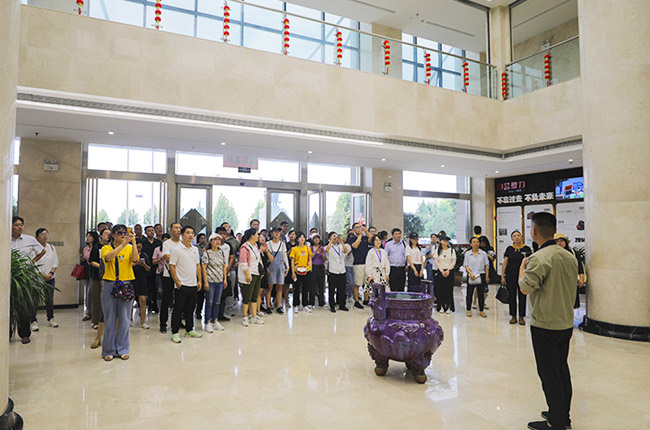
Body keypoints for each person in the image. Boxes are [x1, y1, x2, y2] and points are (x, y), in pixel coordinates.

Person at [519, 212, 578, 430]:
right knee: (561, 369)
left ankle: (556, 422)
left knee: (549, 373)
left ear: (534, 230)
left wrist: (522, 269)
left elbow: (525, 287)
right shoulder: (569, 256)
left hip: (545, 324)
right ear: (554, 230)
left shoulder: (538, 258)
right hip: (565, 322)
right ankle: (562, 414)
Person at [100, 224, 139, 361]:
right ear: (113, 235)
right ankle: (108, 350)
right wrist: (122, 245)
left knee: (124, 318)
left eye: (124, 233)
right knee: (110, 318)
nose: (123, 235)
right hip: (110, 283)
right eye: (119, 233)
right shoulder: (106, 248)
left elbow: (135, 259)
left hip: (126, 283)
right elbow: (108, 258)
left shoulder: (129, 248)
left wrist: (133, 242)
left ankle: (123, 349)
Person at [11, 216, 45, 343]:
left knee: (23, 306)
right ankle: (6, 333)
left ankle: (25, 334)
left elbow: (42, 251)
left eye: (21, 225)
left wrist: (32, 262)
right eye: (16, 225)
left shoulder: (29, 239)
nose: (20, 227)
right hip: (8, 276)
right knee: (7, 306)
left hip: (24, 278)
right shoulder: (4, 238)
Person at [169, 226, 203, 343]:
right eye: (188, 233)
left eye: (192, 233)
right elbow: (172, 266)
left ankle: (189, 329)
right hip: (182, 284)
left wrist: (199, 280)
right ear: (182, 235)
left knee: (190, 308)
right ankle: (174, 332)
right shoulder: (177, 249)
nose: (190, 235)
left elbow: (198, 265)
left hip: (193, 284)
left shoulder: (195, 249)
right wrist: (177, 282)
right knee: (178, 309)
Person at [501, 231, 533, 325]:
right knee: (512, 295)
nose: (517, 237)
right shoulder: (509, 249)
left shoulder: (526, 249)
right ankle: (513, 316)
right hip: (510, 275)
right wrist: (502, 275)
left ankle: (521, 317)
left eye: (518, 235)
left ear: (521, 237)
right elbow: (505, 263)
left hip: (523, 276)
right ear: (512, 239)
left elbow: (530, 263)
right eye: (514, 236)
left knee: (522, 295)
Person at [238, 228, 265, 326]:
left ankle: (254, 316)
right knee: (247, 297)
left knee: (254, 296)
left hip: (257, 273)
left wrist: (261, 272)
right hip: (249, 274)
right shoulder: (245, 247)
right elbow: (243, 262)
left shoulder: (255, 246)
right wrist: (247, 274)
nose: (258, 236)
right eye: (257, 234)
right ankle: (245, 317)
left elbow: (258, 259)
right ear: (252, 235)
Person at [160, 222, 183, 333]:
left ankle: (178, 322)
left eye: (179, 228)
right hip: (168, 275)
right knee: (166, 300)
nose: (178, 230)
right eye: (176, 228)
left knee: (179, 300)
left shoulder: (183, 244)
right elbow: (167, 258)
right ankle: (163, 324)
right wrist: (180, 259)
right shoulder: (167, 243)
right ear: (170, 230)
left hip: (181, 275)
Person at [34, 228, 59, 328]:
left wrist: (50, 273)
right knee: (35, 299)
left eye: (46, 234)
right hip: (37, 277)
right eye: (42, 234)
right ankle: (33, 321)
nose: (45, 236)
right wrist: (42, 275)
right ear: (37, 237)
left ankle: (50, 319)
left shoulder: (51, 247)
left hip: (50, 277)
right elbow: (33, 263)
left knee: (49, 299)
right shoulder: (34, 248)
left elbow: (55, 262)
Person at [201, 234, 227, 333]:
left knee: (217, 302)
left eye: (219, 240)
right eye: (215, 240)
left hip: (219, 281)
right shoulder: (207, 253)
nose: (217, 242)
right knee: (209, 302)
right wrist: (205, 281)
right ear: (211, 241)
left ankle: (215, 321)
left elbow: (224, 266)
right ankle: (207, 322)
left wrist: (225, 279)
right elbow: (204, 268)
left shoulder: (221, 252)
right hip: (210, 281)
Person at [90, 228, 111, 349]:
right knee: (98, 300)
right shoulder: (97, 247)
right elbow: (92, 261)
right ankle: (95, 322)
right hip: (98, 276)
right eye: (105, 234)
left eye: (109, 234)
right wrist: (102, 266)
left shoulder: (113, 247)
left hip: (110, 278)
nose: (107, 236)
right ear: (101, 236)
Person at [554, 233, 586, 310]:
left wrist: (582, 278)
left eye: (561, 241)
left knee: (571, 302)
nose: (560, 243)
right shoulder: (553, 254)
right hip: (557, 281)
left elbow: (579, 266)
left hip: (571, 281)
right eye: (557, 241)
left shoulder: (572, 252)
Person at [464, 237, 489, 318]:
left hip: (481, 274)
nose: (476, 243)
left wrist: (487, 276)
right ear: (471, 244)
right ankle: (468, 310)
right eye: (474, 242)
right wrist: (470, 273)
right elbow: (466, 265)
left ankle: (481, 310)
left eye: (477, 242)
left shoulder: (483, 253)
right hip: (471, 275)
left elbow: (486, 265)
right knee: (469, 293)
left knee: (481, 293)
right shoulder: (467, 254)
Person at [347, 223, 370, 308]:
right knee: (357, 283)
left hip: (367, 263)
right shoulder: (352, 239)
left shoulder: (365, 238)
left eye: (360, 227)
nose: (359, 228)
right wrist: (360, 235)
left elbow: (373, 240)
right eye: (357, 227)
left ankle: (366, 300)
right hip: (357, 263)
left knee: (367, 283)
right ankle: (356, 301)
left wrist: (366, 232)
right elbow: (355, 246)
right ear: (353, 230)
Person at [325, 232, 350, 312]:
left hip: (342, 270)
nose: (335, 237)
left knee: (342, 289)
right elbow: (326, 250)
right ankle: (332, 305)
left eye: (336, 236)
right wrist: (331, 241)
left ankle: (342, 304)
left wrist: (342, 241)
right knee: (332, 289)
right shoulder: (328, 246)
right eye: (333, 236)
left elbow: (345, 251)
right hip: (333, 270)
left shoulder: (340, 246)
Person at [290, 232, 314, 313]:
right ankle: (296, 305)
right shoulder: (294, 249)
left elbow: (310, 259)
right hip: (297, 271)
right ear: (297, 239)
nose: (302, 239)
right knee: (296, 289)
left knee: (305, 288)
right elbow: (292, 261)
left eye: (303, 237)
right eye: (300, 237)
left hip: (306, 271)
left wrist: (310, 269)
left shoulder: (307, 248)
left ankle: (305, 305)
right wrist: (293, 272)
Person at [267, 227, 289, 314]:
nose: (277, 234)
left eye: (278, 232)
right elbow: (265, 257)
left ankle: (278, 306)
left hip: (281, 267)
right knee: (270, 287)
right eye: (275, 232)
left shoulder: (282, 244)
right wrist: (266, 268)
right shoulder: (268, 244)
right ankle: (268, 306)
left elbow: (284, 255)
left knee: (280, 287)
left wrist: (287, 267)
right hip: (271, 267)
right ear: (272, 233)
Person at [215, 227, 234, 322]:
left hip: (226, 274)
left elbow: (231, 257)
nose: (222, 235)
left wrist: (227, 270)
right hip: (214, 274)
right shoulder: (213, 245)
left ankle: (221, 314)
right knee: (214, 296)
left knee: (224, 295)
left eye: (224, 234)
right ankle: (213, 315)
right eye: (220, 233)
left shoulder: (228, 245)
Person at [132, 239, 151, 329]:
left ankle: (143, 322)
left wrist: (143, 264)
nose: (138, 246)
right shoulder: (130, 254)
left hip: (142, 280)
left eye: (140, 244)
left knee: (143, 300)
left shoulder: (144, 255)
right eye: (136, 244)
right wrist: (135, 264)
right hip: (131, 279)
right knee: (130, 301)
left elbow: (149, 269)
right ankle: (129, 320)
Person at [141, 225, 161, 313]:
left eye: (152, 230)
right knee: (146, 288)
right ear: (145, 232)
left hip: (156, 267)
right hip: (145, 267)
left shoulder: (158, 242)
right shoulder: (143, 242)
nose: (151, 232)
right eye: (149, 230)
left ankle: (155, 306)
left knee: (155, 287)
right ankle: (147, 305)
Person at [473, 236, 497, 310]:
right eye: (481, 242)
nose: (482, 244)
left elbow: (493, 258)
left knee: (485, 288)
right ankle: (474, 302)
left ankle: (483, 302)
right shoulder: (476, 249)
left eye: (484, 242)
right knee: (477, 287)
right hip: (478, 270)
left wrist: (486, 255)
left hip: (488, 270)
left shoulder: (490, 249)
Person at [434, 236, 457, 313]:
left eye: (447, 240)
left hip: (449, 272)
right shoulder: (437, 250)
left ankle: (448, 307)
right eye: (444, 240)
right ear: (440, 241)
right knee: (440, 289)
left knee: (449, 289)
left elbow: (453, 261)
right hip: (441, 272)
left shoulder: (452, 250)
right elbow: (436, 261)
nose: (446, 241)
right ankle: (441, 306)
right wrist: (442, 271)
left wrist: (448, 270)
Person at [151, 233, 170, 326]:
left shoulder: (172, 249)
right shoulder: (157, 249)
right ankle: (159, 309)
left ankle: (170, 309)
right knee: (160, 291)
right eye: (164, 240)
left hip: (170, 273)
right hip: (160, 273)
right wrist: (160, 259)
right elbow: (153, 261)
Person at [80, 231, 96, 321]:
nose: (88, 238)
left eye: (90, 236)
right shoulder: (86, 248)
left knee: (92, 291)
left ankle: (93, 311)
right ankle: (88, 311)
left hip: (95, 271)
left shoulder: (96, 247)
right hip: (87, 270)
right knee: (88, 291)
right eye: (87, 236)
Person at [257, 233, 274, 315]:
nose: (262, 238)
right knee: (258, 292)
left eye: (263, 237)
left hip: (264, 272)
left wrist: (267, 251)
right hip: (257, 272)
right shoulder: (255, 248)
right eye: (260, 237)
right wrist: (260, 250)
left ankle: (260, 308)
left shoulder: (265, 248)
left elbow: (271, 259)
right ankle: (257, 310)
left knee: (262, 291)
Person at [385, 228, 407, 292]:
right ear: (392, 235)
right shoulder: (388, 244)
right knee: (392, 286)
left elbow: (407, 256)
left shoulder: (404, 244)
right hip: (392, 268)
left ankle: (400, 298)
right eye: (396, 234)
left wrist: (407, 264)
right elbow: (385, 256)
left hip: (401, 268)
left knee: (401, 287)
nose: (398, 235)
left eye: (399, 234)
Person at [310, 234, 327, 307]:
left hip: (321, 267)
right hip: (313, 267)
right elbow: (310, 257)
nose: (316, 239)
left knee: (321, 285)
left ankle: (321, 301)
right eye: (315, 238)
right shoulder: (310, 248)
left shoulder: (322, 248)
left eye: (318, 238)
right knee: (312, 285)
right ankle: (311, 302)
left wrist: (322, 253)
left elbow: (325, 259)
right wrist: (316, 251)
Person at [194, 232, 207, 321]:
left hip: (205, 273)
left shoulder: (208, 247)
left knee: (202, 295)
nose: (203, 240)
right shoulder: (195, 248)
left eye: (204, 238)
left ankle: (200, 311)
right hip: (196, 273)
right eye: (201, 238)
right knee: (197, 294)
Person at [283, 230, 297, 310]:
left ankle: (295, 301)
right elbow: (285, 255)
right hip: (288, 266)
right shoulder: (286, 244)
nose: (292, 235)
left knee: (296, 285)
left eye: (293, 234)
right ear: (288, 236)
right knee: (287, 284)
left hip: (296, 266)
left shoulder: (298, 244)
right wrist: (291, 250)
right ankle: (286, 300)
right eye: (291, 234)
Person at [344, 230, 355, 301]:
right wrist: (352, 249)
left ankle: (351, 294)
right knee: (350, 282)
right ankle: (348, 294)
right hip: (347, 265)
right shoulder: (346, 245)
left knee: (353, 282)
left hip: (354, 265)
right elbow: (346, 255)